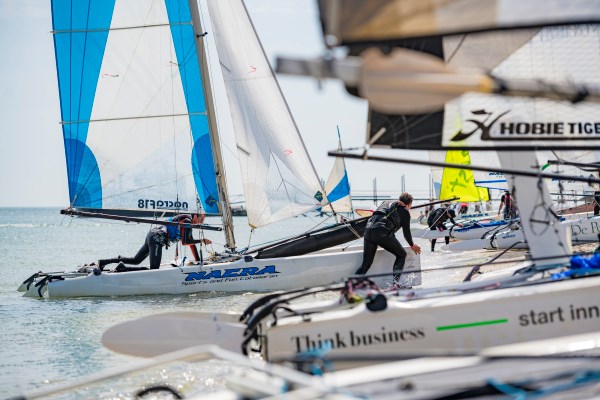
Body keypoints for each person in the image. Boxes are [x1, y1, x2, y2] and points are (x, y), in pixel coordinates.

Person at [98, 212, 211, 271]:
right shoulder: (187, 221)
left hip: (152, 235)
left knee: (136, 260)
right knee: (154, 270)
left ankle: (104, 262)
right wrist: (202, 240)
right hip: (157, 238)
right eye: (200, 219)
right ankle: (124, 268)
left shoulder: (186, 224)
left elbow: (191, 244)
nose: (201, 222)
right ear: (195, 216)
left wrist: (198, 261)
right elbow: (185, 242)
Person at [355, 193, 421, 285]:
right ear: (409, 204)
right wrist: (412, 245)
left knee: (365, 264)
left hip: (368, 231)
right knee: (402, 255)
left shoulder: (385, 202)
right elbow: (406, 232)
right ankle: (395, 284)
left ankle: (351, 286)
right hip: (382, 233)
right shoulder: (405, 211)